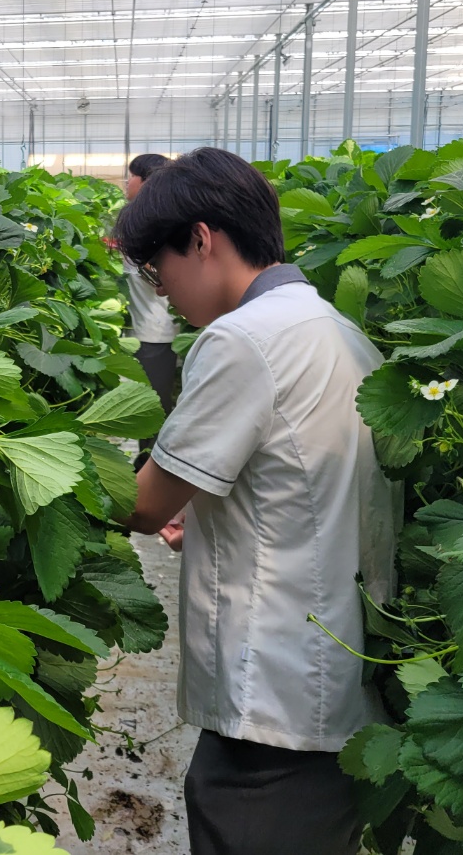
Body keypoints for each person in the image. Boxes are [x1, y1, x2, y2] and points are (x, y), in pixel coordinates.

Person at [112, 147, 399, 855]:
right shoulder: (335, 329)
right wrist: (215, 516)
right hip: (330, 681)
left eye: (158, 272)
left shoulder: (243, 339)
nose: (164, 295)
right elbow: (300, 485)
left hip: (273, 701)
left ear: (200, 240)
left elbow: (143, 505)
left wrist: (38, 463)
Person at [122, 154, 179, 463]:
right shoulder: (151, 217)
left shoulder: (152, 222)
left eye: (130, 176)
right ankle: (147, 463)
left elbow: (158, 274)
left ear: (145, 181)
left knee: (154, 407)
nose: (126, 182)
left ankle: (152, 468)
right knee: (150, 405)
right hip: (149, 329)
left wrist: (140, 259)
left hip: (157, 333)